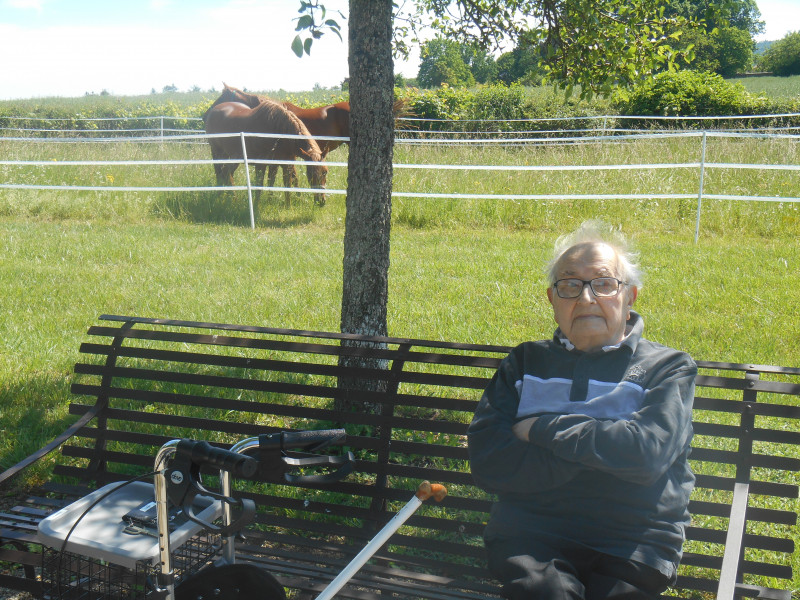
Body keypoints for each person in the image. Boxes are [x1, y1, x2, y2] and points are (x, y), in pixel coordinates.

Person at [468, 221, 697, 599]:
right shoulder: (525, 362)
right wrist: (605, 452)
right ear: (552, 299)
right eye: (570, 285)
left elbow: (646, 454)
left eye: (603, 284)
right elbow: (489, 462)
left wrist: (542, 430)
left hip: (634, 543)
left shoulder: (668, 368)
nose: (586, 298)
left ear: (630, 297)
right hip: (531, 538)